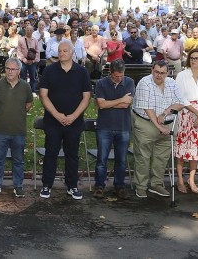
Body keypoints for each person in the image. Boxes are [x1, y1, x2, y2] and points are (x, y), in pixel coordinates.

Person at [38, 39, 91, 199]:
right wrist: (58, 115)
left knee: (72, 154)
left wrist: (73, 116)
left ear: (72, 52)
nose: (61, 53)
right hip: (53, 121)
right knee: (51, 153)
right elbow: (43, 95)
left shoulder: (82, 72)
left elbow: (87, 97)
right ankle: (47, 185)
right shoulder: (49, 70)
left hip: (74, 122)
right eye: (59, 51)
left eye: (65, 51)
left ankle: (72, 186)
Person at [132, 61, 190, 198]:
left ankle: (156, 184)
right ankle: (141, 186)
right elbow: (147, 108)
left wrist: (166, 112)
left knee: (162, 156)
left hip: (168, 123)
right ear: (152, 70)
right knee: (143, 156)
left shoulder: (171, 83)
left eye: (162, 73)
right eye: (156, 72)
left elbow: (181, 102)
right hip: (146, 123)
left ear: (167, 73)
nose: (159, 75)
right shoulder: (144, 83)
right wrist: (159, 126)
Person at [0, 57, 33, 198]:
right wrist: (1, 113)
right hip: (0, 130)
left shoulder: (26, 86)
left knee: (18, 160)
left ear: (19, 71)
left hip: (18, 131)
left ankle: (18, 186)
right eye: (7, 68)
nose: (10, 71)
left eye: (13, 69)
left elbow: (29, 104)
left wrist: (17, 114)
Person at [173, 48, 198, 194]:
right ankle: (179, 179)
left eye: (197, 58)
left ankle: (191, 179)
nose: (194, 60)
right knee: (182, 149)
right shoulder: (182, 75)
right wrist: (195, 112)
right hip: (185, 114)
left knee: (196, 150)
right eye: (192, 58)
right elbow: (180, 97)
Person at [93, 59, 135, 199]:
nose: (119, 78)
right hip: (104, 126)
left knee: (121, 160)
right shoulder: (101, 83)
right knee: (101, 159)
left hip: (123, 126)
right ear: (110, 73)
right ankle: (99, 186)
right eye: (116, 75)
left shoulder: (129, 82)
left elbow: (126, 105)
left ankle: (120, 186)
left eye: (121, 75)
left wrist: (109, 103)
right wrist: (120, 99)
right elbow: (101, 105)